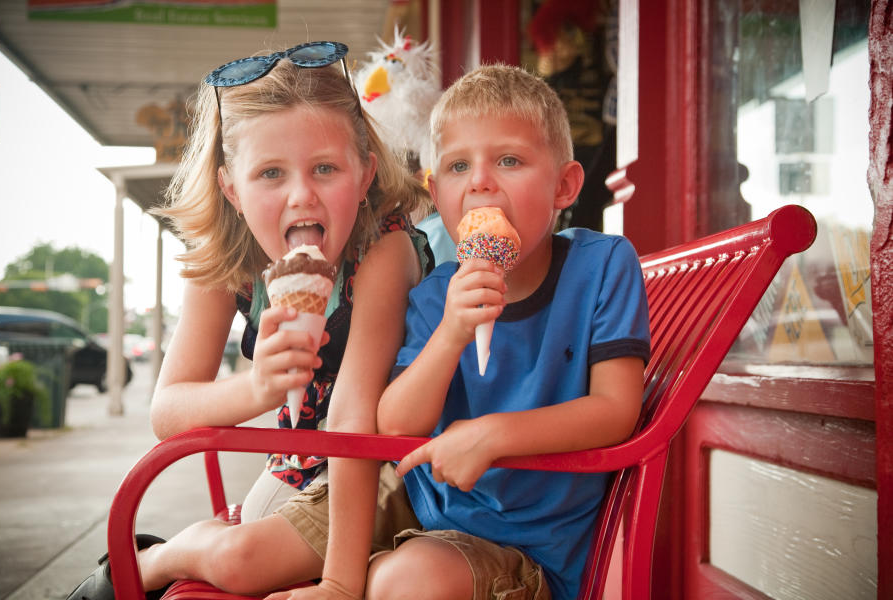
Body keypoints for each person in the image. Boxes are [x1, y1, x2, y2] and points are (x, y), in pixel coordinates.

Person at [67, 41, 432, 600]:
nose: (300, 195)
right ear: (232, 189)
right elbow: (169, 410)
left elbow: (355, 415)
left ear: (364, 177)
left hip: (381, 467)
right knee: (240, 558)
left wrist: (338, 583)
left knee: (240, 561)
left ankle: (150, 562)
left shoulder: (384, 251)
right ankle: (173, 552)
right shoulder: (227, 266)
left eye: (325, 168)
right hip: (293, 470)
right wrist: (258, 386)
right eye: (270, 174)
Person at [366, 64, 651, 600]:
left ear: (564, 185)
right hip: (429, 517)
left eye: (509, 160)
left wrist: (493, 435)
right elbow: (396, 426)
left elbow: (617, 408)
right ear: (435, 192)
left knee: (400, 581)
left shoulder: (602, 266)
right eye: (457, 166)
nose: (480, 181)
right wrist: (452, 331)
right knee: (279, 553)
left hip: (531, 552)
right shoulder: (435, 295)